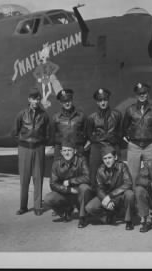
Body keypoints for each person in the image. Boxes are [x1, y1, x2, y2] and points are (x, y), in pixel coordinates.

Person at [12, 88, 50, 216]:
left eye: (38, 99)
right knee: (24, 178)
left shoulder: (44, 115)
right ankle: (23, 207)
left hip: (38, 148)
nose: (36, 101)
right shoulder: (21, 114)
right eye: (34, 99)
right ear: (29, 99)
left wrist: (40, 142)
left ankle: (38, 207)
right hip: (24, 149)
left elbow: (48, 133)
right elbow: (14, 132)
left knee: (38, 177)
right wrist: (23, 142)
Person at [43, 138, 93, 228]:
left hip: (79, 194)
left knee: (85, 188)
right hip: (65, 193)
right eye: (65, 150)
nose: (67, 153)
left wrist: (70, 181)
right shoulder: (56, 163)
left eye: (69, 150)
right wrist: (69, 190)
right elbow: (53, 184)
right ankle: (66, 210)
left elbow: (88, 177)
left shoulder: (82, 160)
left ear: (74, 151)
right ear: (61, 152)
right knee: (48, 199)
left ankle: (82, 217)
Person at [122, 82, 152, 187]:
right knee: (132, 175)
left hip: (150, 146)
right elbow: (124, 126)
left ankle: (150, 197)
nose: (142, 95)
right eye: (140, 93)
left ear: (148, 94)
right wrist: (130, 140)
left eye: (144, 93)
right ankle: (134, 199)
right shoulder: (130, 109)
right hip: (134, 146)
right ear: (136, 95)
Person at [85, 145, 135, 230]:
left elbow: (128, 183)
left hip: (120, 196)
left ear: (115, 157)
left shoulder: (122, 166)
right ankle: (108, 216)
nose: (107, 161)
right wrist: (105, 199)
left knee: (129, 194)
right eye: (105, 159)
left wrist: (110, 196)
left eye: (109, 158)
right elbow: (99, 188)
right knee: (89, 207)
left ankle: (128, 221)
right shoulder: (100, 169)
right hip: (107, 197)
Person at [85, 88, 122, 188]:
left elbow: (120, 132)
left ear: (108, 100)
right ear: (97, 102)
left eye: (105, 100)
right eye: (100, 100)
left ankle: (116, 196)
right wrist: (101, 139)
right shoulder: (92, 118)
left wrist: (113, 139)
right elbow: (89, 135)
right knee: (94, 172)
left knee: (116, 172)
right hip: (98, 147)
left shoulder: (117, 115)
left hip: (112, 146)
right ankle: (95, 196)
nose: (103, 102)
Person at [51, 89, 86, 159]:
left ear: (72, 100)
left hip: (78, 151)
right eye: (64, 101)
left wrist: (82, 146)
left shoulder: (81, 116)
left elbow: (86, 133)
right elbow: (52, 136)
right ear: (60, 102)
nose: (67, 103)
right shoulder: (56, 117)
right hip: (61, 151)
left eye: (69, 101)